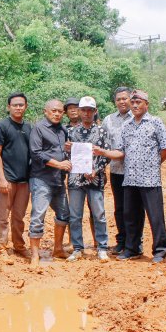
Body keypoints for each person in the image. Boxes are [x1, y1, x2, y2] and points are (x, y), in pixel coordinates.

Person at [117, 90, 166, 263]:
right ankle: (132, 249)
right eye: (132, 102)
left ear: (146, 104)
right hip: (130, 178)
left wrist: (153, 164)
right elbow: (121, 150)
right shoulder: (126, 125)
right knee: (131, 216)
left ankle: (160, 251)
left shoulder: (155, 122)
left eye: (138, 102)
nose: (134, 105)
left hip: (150, 178)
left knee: (155, 216)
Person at [64, 96, 111, 262]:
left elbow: (107, 155)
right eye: (83, 110)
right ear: (79, 111)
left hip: (95, 180)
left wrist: (96, 170)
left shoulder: (102, 131)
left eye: (90, 110)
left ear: (95, 111)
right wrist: (66, 150)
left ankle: (102, 247)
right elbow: (66, 156)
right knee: (75, 215)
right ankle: (77, 247)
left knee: (99, 214)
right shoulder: (70, 132)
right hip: (75, 180)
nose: (86, 113)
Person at [28, 99, 71, 266]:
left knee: (64, 214)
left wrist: (68, 159)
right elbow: (36, 153)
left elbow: (63, 152)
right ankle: (34, 255)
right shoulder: (38, 129)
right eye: (53, 111)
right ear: (45, 111)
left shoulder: (63, 130)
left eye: (60, 111)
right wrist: (59, 164)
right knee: (38, 216)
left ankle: (58, 249)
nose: (57, 113)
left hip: (58, 179)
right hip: (41, 179)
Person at [0, 92, 32, 258]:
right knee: (2, 215)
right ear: (8, 107)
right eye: (15, 105)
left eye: (21, 105)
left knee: (19, 216)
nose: (18, 107)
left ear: (26, 107)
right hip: (7, 179)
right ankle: (1, 247)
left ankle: (19, 245)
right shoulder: (1, 126)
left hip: (24, 180)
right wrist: (1, 178)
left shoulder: (29, 127)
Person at [102, 86, 134, 254]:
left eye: (125, 98)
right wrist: (101, 168)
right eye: (118, 99)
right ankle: (121, 241)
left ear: (131, 99)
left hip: (135, 173)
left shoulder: (137, 117)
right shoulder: (108, 120)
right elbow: (104, 145)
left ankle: (135, 243)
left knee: (134, 208)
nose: (122, 101)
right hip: (116, 171)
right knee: (119, 208)